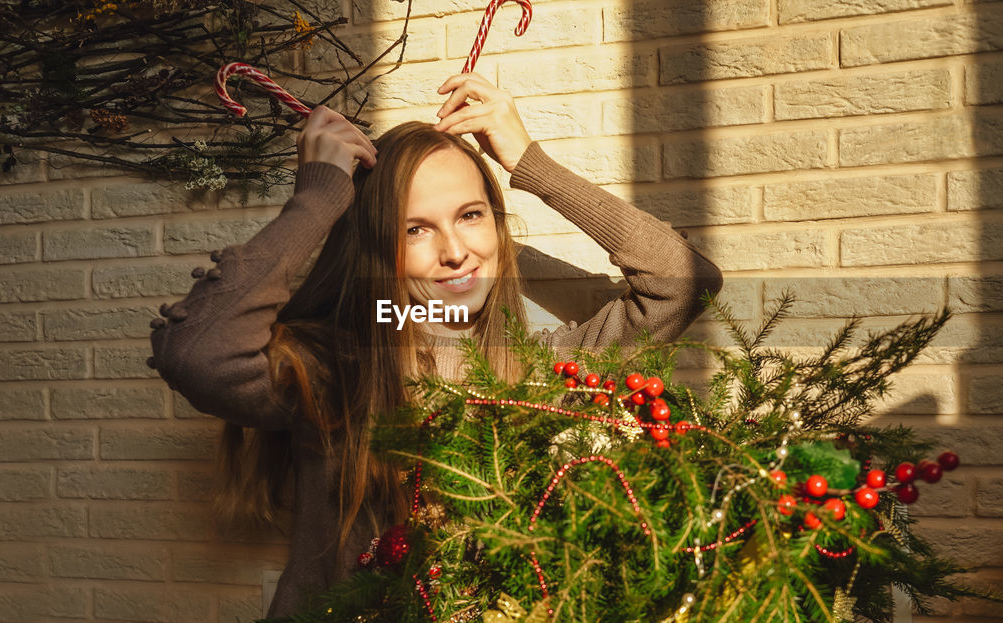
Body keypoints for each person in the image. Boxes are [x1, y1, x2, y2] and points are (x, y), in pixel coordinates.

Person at [147, 73, 724, 618]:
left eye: (470, 216)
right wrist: (319, 199)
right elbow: (199, 351)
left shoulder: (546, 370)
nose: (455, 251)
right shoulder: (334, 368)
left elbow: (683, 283)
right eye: (414, 228)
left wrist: (531, 164)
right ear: (375, 245)